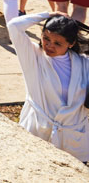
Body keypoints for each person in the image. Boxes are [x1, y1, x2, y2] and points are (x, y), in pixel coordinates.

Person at [7, 12, 89, 162]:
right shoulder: (33, 56)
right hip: (38, 133)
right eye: (46, 38)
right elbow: (14, 26)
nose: (49, 45)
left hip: (74, 140)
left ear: (71, 44)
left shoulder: (84, 63)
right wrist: (48, 15)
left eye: (58, 43)